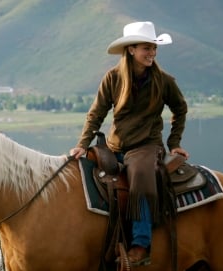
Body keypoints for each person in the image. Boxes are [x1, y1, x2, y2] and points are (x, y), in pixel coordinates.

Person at [70, 21, 189, 266]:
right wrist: (83, 143)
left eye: (154, 48)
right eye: (147, 48)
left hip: (147, 146)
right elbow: (96, 113)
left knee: (139, 175)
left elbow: (180, 108)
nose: (152, 53)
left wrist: (174, 141)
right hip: (115, 146)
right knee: (85, 171)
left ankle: (140, 245)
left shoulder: (164, 80)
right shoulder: (112, 78)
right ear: (131, 50)